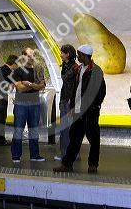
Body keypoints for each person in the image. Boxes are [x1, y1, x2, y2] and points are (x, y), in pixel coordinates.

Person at [53, 44, 106, 174]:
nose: (77, 56)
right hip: (78, 111)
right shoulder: (79, 69)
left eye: (79, 54)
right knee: (74, 138)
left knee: (93, 139)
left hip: (90, 112)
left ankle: (93, 164)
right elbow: (75, 89)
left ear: (85, 56)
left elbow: (101, 92)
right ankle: (67, 164)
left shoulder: (96, 71)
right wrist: (72, 107)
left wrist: (94, 106)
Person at [11, 48, 46, 163]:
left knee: (34, 130)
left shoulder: (38, 69)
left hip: (35, 103)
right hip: (21, 104)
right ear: (24, 56)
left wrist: (29, 84)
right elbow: (20, 88)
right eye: (30, 55)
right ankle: (16, 155)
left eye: (33, 55)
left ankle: (34, 155)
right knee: (18, 130)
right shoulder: (18, 71)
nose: (32, 57)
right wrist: (35, 86)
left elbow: (42, 85)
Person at [54, 45, 77, 161]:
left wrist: (68, 100)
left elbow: (70, 83)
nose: (61, 55)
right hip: (67, 100)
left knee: (66, 128)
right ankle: (72, 154)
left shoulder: (74, 67)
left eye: (62, 53)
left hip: (68, 101)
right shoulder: (67, 66)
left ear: (68, 54)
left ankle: (65, 154)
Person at [0, 54, 18, 145]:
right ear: (14, 63)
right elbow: (10, 87)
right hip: (2, 99)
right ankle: (1, 140)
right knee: (1, 119)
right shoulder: (9, 72)